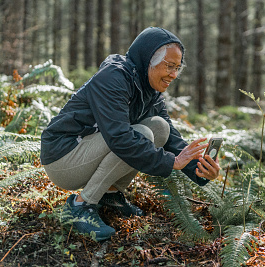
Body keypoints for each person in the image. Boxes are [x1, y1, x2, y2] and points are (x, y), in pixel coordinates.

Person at [40, 27, 221, 241]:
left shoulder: (150, 90)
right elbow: (119, 137)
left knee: (159, 127)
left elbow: (170, 137)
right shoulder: (113, 78)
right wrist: (171, 162)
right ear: (148, 61)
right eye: (169, 66)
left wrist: (199, 169)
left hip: (87, 152)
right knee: (141, 133)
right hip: (63, 159)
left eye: (177, 68)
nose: (174, 75)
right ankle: (80, 206)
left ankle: (110, 195)